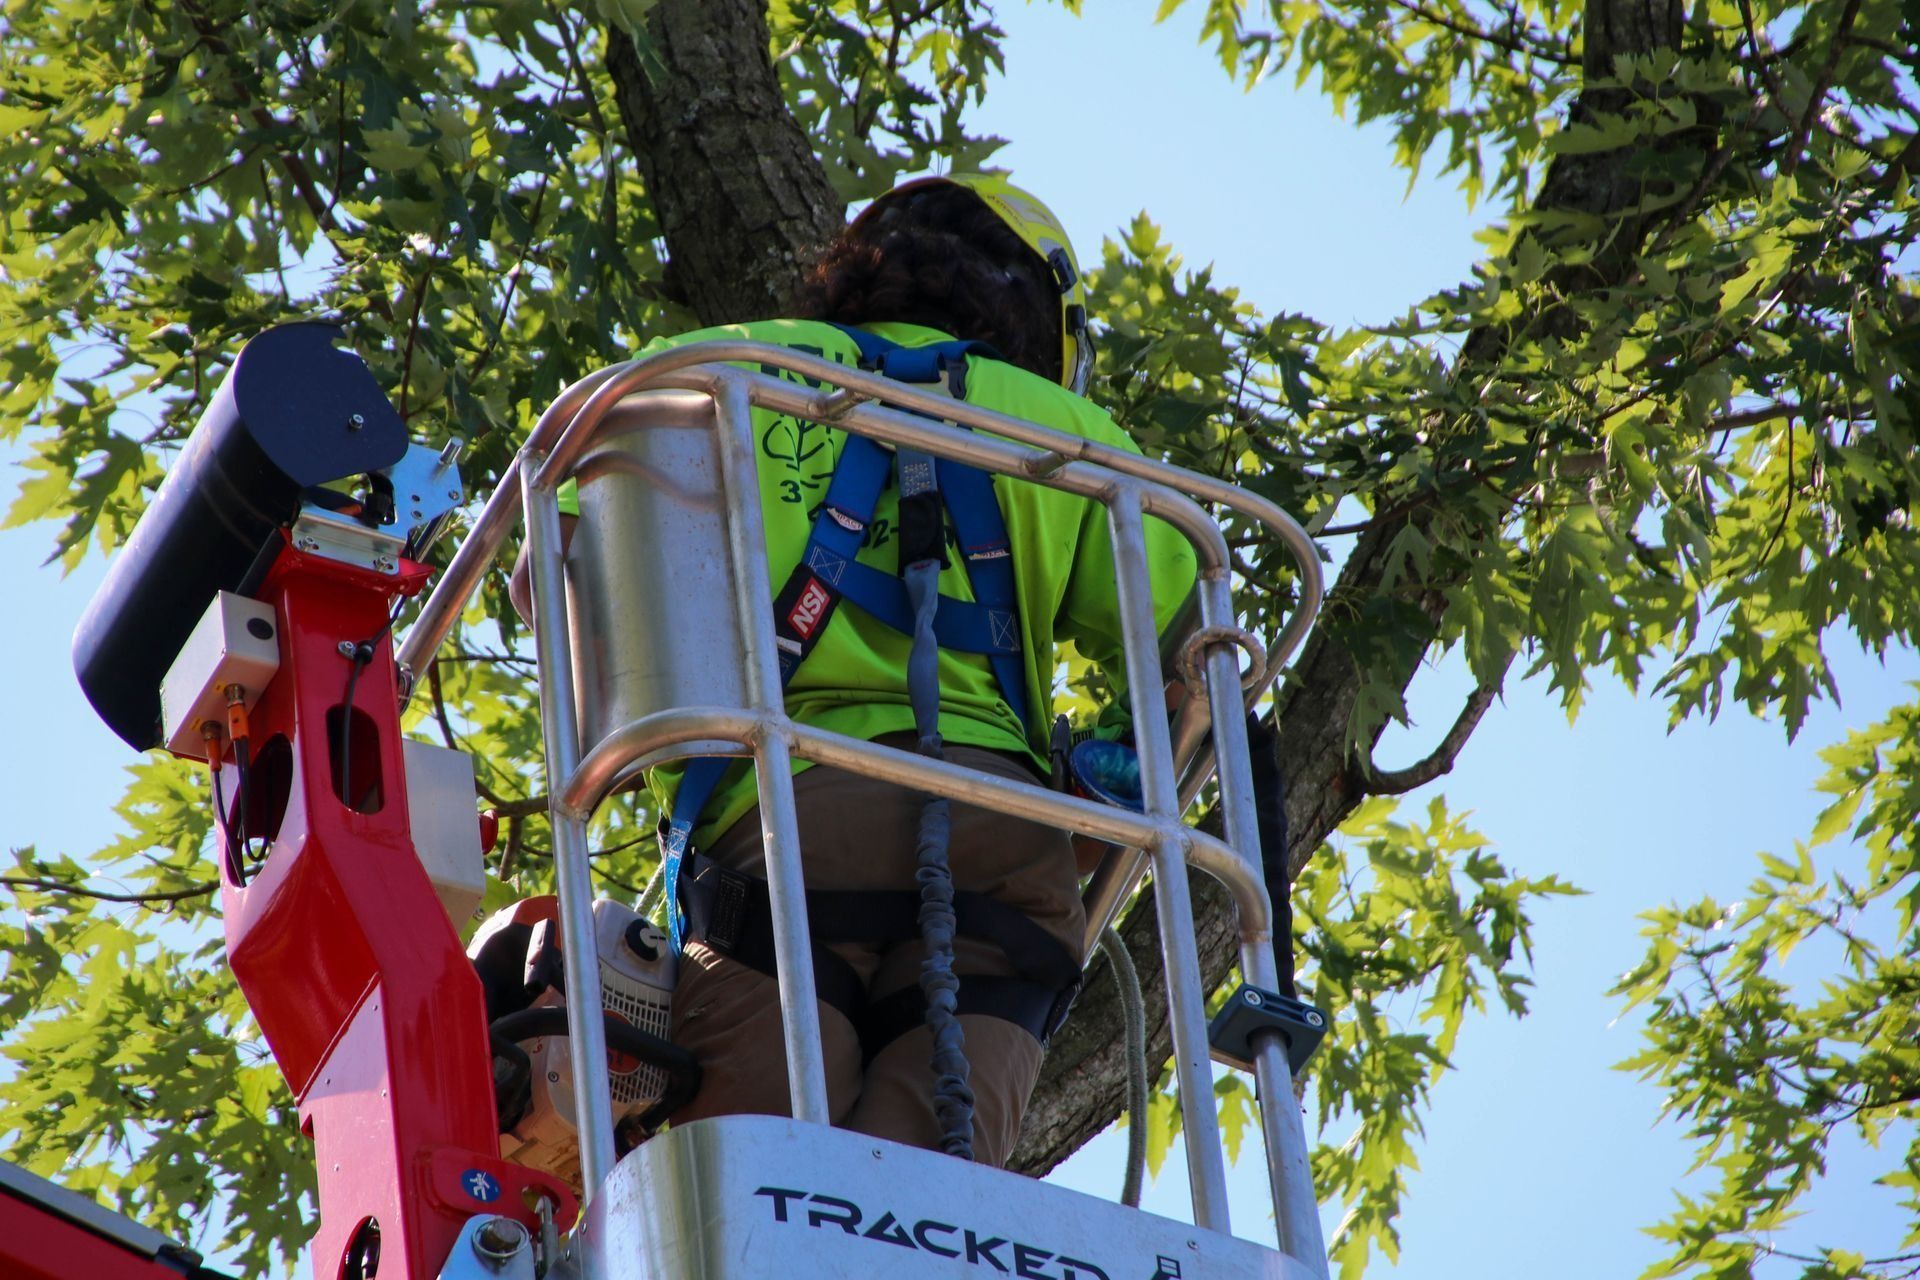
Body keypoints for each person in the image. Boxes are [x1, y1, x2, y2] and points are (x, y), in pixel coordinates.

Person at [522, 174, 1197, 1168]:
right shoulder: (1070, 438)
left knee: (765, 1196)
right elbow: (1200, 668)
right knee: (925, 1208)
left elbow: (567, 579)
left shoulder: (708, 372)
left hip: (780, 827)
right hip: (1002, 843)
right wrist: (1108, 802)